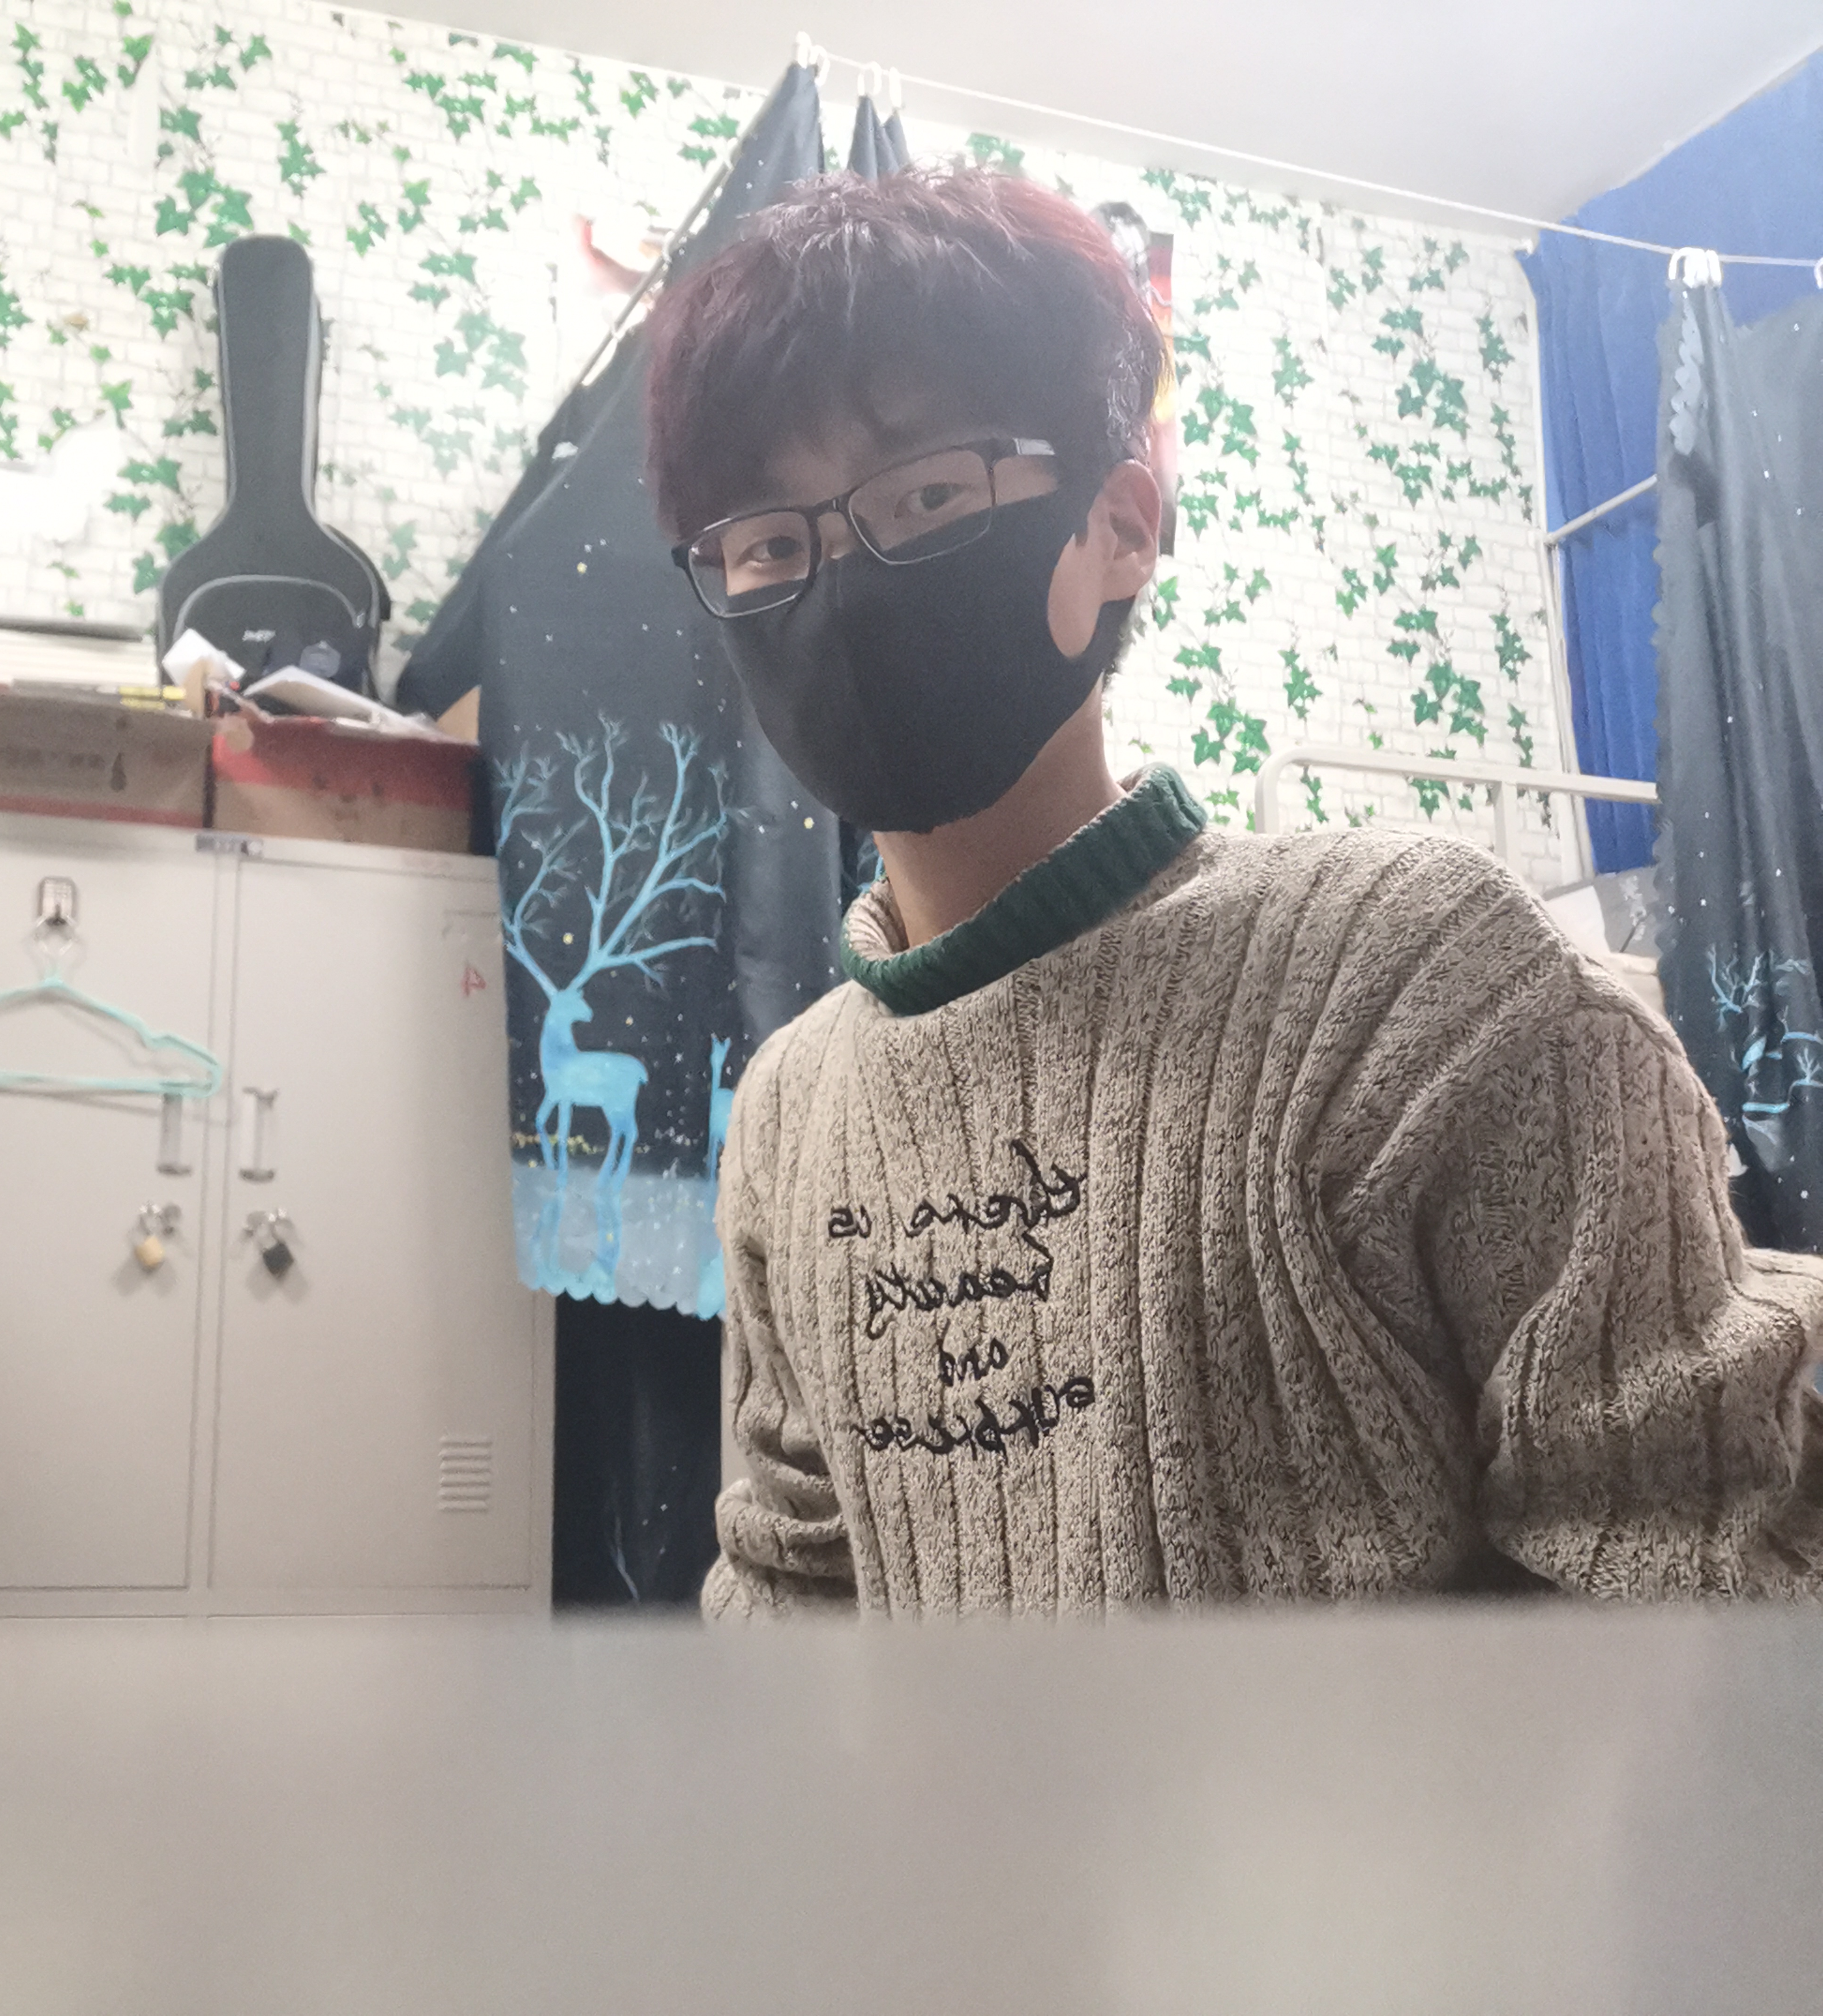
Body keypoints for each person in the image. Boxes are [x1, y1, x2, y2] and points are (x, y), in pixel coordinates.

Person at [641, 164, 1823, 1615]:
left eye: (927, 494)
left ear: (1122, 525)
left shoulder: (1427, 985)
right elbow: (790, 1587)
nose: (841, 582)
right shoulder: (789, 1109)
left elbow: (1690, 1578)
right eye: (769, 543)